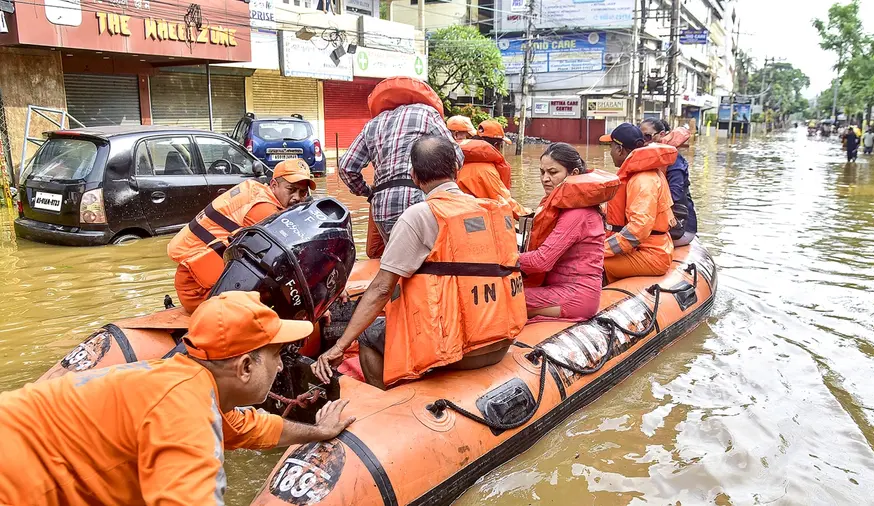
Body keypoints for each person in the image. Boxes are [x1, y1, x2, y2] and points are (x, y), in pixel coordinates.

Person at [0, 291, 354, 506]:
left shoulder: (184, 382)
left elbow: (252, 428)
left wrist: (318, 432)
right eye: (277, 355)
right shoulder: (185, 411)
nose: (281, 368)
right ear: (245, 366)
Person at [313, 135, 526, 390]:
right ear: (457, 169)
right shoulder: (490, 210)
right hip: (501, 341)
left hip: (460, 352)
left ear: (413, 175)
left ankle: (388, 402)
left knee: (369, 334)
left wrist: (339, 347)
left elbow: (382, 288)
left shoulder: (419, 215)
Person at [168, 159, 315, 313]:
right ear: (273, 185)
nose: (297, 198)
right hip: (198, 290)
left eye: (303, 192)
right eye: (291, 189)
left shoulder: (258, 191)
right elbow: (291, 262)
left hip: (200, 281)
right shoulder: (263, 211)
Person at [339, 77, 463, 259]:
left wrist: (367, 192)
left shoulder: (373, 124)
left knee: (397, 263)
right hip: (419, 199)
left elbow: (346, 167)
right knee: (428, 263)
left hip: (382, 207)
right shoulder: (427, 113)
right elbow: (456, 156)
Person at [519, 143, 614, 320]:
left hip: (574, 297)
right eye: (542, 172)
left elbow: (541, 262)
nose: (545, 179)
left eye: (553, 173)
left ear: (574, 174)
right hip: (562, 290)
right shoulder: (564, 207)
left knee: (501, 298)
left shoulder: (577, 214)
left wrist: (501, 258)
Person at [600, 123, 678, 284]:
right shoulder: (644, 174)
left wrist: (601, 250)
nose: (610, 152)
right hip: (647, 249)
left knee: (590, 264)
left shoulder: (642, 180)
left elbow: (638, 230)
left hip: (651, 255)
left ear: (620, 149)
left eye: (611, 147)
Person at [640, 118, 698, 246]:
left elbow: (675, 195)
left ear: (661, 135)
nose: (643, 141)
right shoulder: (646, 159)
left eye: (647, 136)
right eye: (641, 137)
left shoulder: (674, 160)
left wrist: (645, 207)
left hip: (681, 228)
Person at [457, 137, 529, 217]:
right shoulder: (486, 171)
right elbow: (504, 201)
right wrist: (527, 213)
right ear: (496, 145)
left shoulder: (458, 165)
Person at [474, 120, 513, 189]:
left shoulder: (459, 161)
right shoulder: (492, 171)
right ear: (496, 145)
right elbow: (502, 197)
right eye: (502, 146)